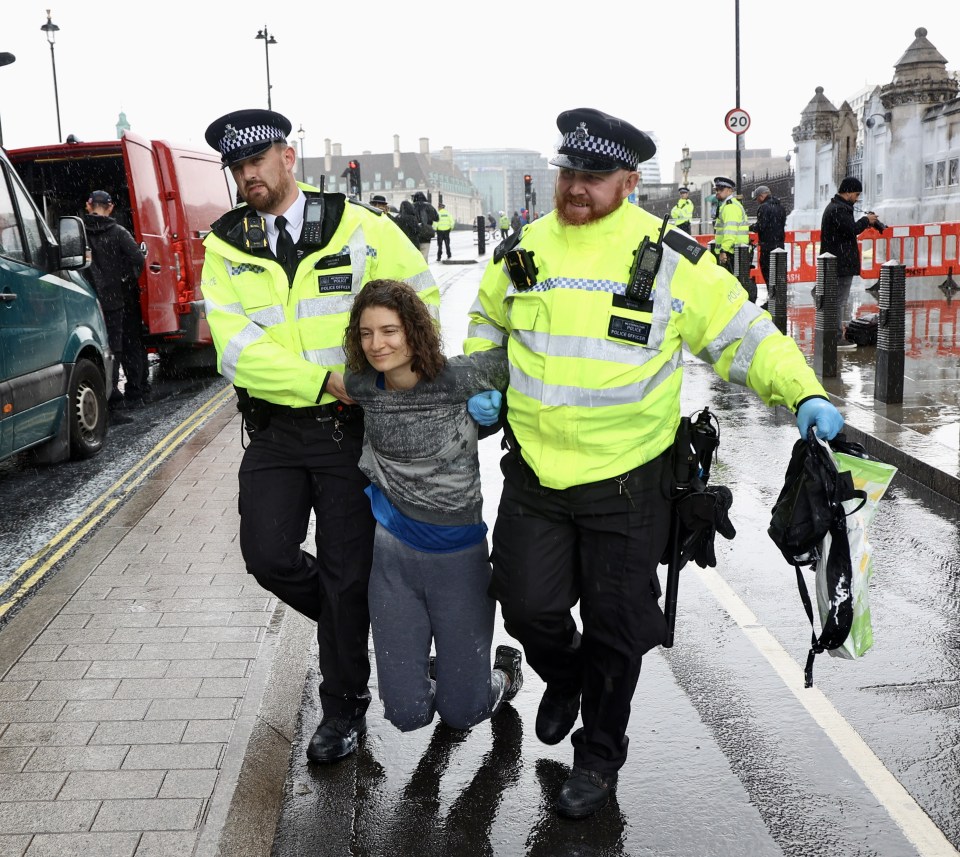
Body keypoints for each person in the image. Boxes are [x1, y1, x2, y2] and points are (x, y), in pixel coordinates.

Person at [464, 106, 844, 820]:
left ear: (629, 182)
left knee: (618, 626)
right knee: (527, 606)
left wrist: (804, 391)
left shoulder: (669, 258)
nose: (576, 187)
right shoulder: (523, 249)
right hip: (536, 477)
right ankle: (565, 675)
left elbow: (745, 336)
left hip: (629, 482)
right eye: (568, 172)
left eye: (594, 176)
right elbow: (487, 322)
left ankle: (600, 753)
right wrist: (485, 381)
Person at [200, 108, 439, 764]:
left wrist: (397, 370)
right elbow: (235, 350)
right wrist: (322, 379)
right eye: (237, 167)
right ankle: (356, 624)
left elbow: (420, 301)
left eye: (257, 161)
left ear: (288, 157)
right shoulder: (225, 246)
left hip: (348, 433)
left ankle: (343, 711)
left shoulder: (358, 227)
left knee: (343, 575)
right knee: (268, 554)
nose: (247, 175)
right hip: (277, 429)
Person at [342, 278, 523, 733]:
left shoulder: (460, 377)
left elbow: (525, 361)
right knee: (407, 716)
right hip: (391, 562)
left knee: (463, 714)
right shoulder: (362, 385)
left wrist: (499, 408)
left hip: (458, 560)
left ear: (414, 331)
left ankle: (503, 675)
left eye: (389, 331)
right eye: (366, 333)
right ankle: (455, 668)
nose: (377, 344)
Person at [82, 189, 148, 412]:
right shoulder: (119, 232)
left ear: (88, 205)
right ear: (110, 208)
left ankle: (101, 397)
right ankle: (117, 396)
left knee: (92, 348)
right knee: (115, 346)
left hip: (87, 298)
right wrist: (126, 279)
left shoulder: (79, 232)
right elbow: (138, 258)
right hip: (114, 299)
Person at [820, 177, 886, 344]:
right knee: (838, 301)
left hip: (838, 261)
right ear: (848, 192)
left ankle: (833, 334)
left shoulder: (837, 207)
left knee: (836, 300)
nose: (857, 198)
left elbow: (847, 230)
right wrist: (866, 221)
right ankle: (836, 338)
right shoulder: (838, 209)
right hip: (840, 262)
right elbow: (852, 230)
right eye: (856, 194)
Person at [713, 176, 750, 276]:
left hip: (733, 252)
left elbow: (730, 231)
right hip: (734, 251)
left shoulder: (730, 207)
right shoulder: (726, 205)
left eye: (721, 189)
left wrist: (723, 250)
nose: (718, 192)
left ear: (730, 191)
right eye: (716, 189)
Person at [751, 185, 786, 285]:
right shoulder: (780, 206)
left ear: (761, 196)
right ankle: (778, 297)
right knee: (777, 273)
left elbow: (761, 226)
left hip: (767, 246)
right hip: (779, 245)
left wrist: (751, 228)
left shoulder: (764, 207)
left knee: (767, 272)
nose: (757, 201)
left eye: (757, 198)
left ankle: (771, 296)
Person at [411, 191, 438, 262]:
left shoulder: (411, 206)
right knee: (424, 254)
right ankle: (424, 270)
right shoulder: (429, 206)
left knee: (415, 255)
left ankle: (417, 269)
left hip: (414, 234)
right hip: (426, 234)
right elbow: (437, 218)